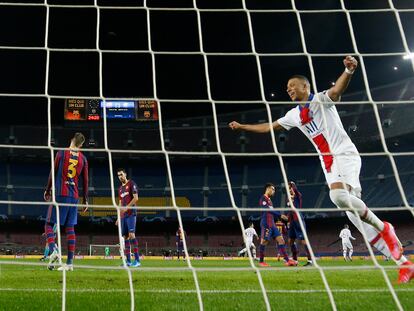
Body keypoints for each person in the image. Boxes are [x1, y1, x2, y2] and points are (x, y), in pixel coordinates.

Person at [229, 56, 413, 283]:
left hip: (344, 153)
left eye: (292, 86)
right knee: (355, 217)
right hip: (328, 163)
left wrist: (348, 71)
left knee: (337, 196)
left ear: (305, 86)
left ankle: (385, 227)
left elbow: (337, 90)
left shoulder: (321, 100)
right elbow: (269, 126)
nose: (289, 90)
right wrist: (242, 126)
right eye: (287, 88)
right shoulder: (294, 115)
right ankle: (404, 264)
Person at [44, 132, 89, 271]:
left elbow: (53, 172)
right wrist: (85, 199)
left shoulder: (61, 153)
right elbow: (86, 181)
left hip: (60, 195)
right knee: (70, 228)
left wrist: (48, 189)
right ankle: (69, 264)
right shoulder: (83, 159)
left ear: (71, 140)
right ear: (81, 145)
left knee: (48, 224)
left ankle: (54, 250)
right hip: (74, 196)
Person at [258, 183, 296, 267]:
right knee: (264, 241)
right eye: (273, 189)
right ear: (268, 189)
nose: (274, 191)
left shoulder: (270, 200)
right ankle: (261, 261)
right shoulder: (263, 198)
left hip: (273, 224)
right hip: (266, 224)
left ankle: (287, 261)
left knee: (281, 240)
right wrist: (280, 215)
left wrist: (280, 216)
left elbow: (272, 212)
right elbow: (267, 210)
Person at [116, 168, 140, 267]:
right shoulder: (120, 189)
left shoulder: (131, 184)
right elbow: (120, 203)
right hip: (123, 215)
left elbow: (136, 198)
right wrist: (118, 217)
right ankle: (128, 261)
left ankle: (137, 260)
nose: (120, 177)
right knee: (125, 237)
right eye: (118, 175)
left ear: (125, 174)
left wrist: (127, 208)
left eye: (121, 174)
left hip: (131, 213)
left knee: (131, 235)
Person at [286, 181, 312, 266]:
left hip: (298, 220)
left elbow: (296, 191)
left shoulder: (297, 195)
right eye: (288, 188)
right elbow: (290, 211)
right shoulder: (288, 198)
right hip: (292, 221)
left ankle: (310, 261)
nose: (289, 189)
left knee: (303, 241)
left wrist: (293, 185)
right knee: (290, 241)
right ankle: (295, 260)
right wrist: (288, 220)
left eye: (290, 187)